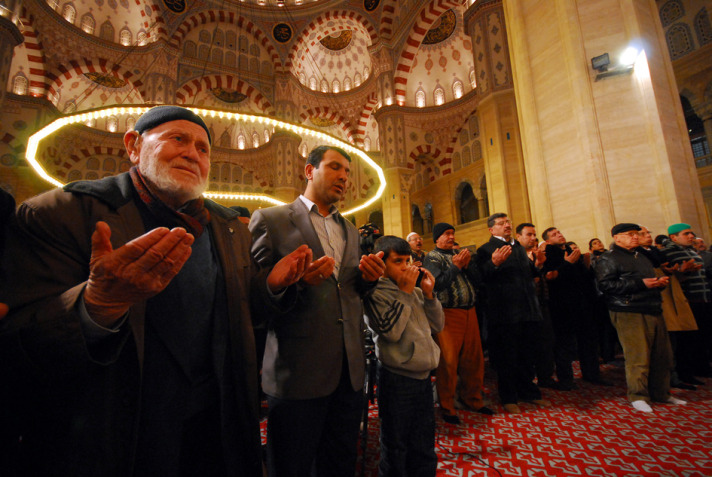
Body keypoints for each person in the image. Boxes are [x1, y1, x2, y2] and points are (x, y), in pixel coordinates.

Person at [0, 106, 310, 476]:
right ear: (133, 145)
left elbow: (239, 314)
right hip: (114, 435)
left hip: (212, 427)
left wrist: (272, 286)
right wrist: (97, 305)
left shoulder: (227, 228)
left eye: (203, 148)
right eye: (177, 139)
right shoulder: (64, 212)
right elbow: (17, 344)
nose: (192, 153)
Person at [249, 145, 386, 477]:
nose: (344, 177)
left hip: (348, 372)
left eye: (348, 172)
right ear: (309, 171)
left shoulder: (351, 230)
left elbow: (346, 292)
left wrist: (368, 281)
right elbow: (254, 297)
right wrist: (295, 283)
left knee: (339, 462)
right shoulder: (272, 220)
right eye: (335, 167)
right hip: (298, 373)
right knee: (291, 465)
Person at [363, 235, 443, 477]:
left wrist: (428, 295)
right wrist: (406, 293)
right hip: (397, 380)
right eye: (398, 261)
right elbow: (392, 332)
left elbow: (438, 325)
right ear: (382, 264)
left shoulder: (415, 292)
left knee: (423, 444)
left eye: (408, 260)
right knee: (396, 446)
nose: (406, 267)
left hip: (422, 378)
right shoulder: (376, 293)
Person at [595, 223, 687, 413]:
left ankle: (661, 393)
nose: (635, 237)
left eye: (637, 234)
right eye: (630, 234)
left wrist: (658, 283)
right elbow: (606, 286)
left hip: (652, 307)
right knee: (638, 355)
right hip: (628, 309)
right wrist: (641, 283)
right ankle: (638, 395)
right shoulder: (608, 258)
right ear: (617, 238)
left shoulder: (641, 256)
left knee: (662, 354)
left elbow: (647, 280)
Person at [476, 215, 549, 414]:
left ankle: (529, 392)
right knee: (507, 357)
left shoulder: (517, 247)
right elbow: (480, 279)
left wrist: (538, 265)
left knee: (527, 355)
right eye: (501, 223)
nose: (507, 225)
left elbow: (526, 275)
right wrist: (494, 263)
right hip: (504, 313)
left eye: (507, 222)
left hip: (527, 310)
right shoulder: (484, 250)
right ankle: (508, 397)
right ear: (491, 230)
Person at [423, 223, 493, 424]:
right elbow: (437, 283)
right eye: (447, 234)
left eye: (453, 233)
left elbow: (478, 281)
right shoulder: (432, 257)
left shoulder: (461, 254)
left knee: (473, 359)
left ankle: (473, 398)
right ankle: (447, 405)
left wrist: (467, 265)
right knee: (448, 362)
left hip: (470, 312)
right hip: (447, 315)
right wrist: (455, 267)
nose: (451, 237)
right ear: (437, 238)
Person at [542, 226, 610, 388]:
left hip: (583, 304)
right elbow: (550, 276)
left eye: (559, 232)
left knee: (588, 341)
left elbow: (584, 279)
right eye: (554, 234)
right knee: (564, 344)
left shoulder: (571, 251)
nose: (559, 234)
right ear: (548, 240)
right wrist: (567, 263)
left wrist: (586, 266)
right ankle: (566, 379)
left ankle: (592, 374)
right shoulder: (548, 253)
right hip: (562, 306)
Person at [662, 223, 712, 382]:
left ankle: (702, 367)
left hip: (702, 298)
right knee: (687, 339)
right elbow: (668, 276)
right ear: (673, 237)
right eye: (686, 234)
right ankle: (686, 372)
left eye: (692, 233)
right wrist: (682, 271)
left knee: (702, 336)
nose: (691, 236)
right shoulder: (668, 252)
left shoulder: (691, 250)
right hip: (686, 300)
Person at [515, 222, 558, 390]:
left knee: (546, 342)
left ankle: (545, 376)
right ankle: (527, 380)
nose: (533, 238)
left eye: (534, 235)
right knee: (527, 345)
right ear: (518, 237)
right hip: (524, 308)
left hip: (542, 304)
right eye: (529, 235)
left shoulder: (541, 254)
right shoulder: (515, 255)